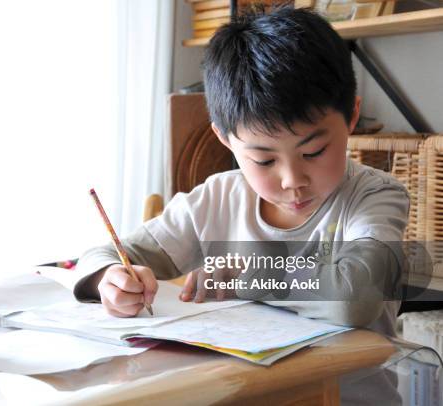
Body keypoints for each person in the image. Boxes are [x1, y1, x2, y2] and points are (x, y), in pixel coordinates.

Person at [70, 7, 409, 404]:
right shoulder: (216, 199)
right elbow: (110, 253)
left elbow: (358, 296)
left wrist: (244, 277)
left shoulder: (373, 196)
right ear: (226, 139)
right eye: (264, 160)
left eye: (314, 151)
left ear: (352, 115)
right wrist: (109, 277)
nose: (291, 180)